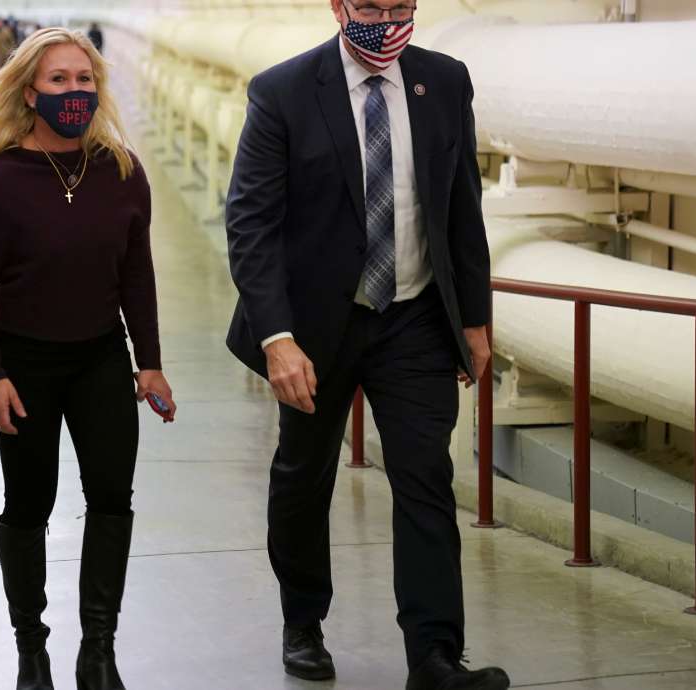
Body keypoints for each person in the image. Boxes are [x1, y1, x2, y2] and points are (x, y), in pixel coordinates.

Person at [224, 1, 509, 689]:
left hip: (414, 317)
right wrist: (276, 338)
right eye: (371, 6)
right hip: (315, 325)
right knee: (304, 473)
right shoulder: (283, 92)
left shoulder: (444, 81)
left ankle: (434, 657)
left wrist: (474, 319)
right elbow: (250, 221)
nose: (386, 20)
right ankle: (302, 622)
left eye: (400, 6)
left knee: (426, 475)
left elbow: (461, 205)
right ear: (338, 7)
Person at [0, 27, 175, 690]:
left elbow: (136, 272)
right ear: (30, 92)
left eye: (84, 79)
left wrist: (149, 360)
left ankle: (98, 649)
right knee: (29, 505)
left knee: (111, 498)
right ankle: (31, 650)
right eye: (59, 80)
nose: (74, 91)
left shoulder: (121, 172)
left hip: (101, 359)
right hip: (24, 366)